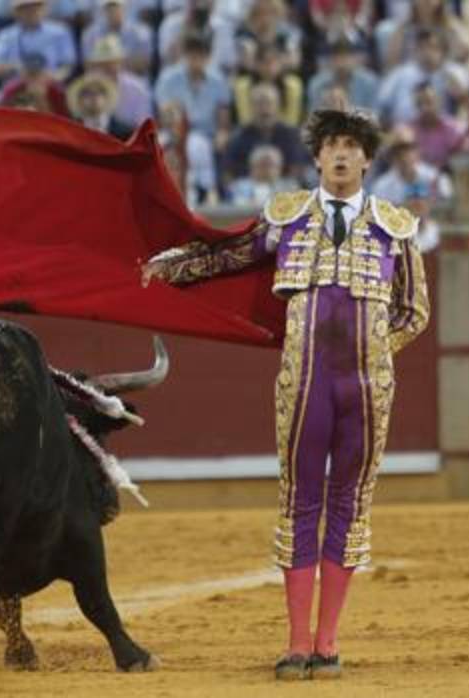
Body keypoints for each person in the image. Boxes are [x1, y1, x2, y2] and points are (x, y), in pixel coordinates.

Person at [142, 108, 429, 680]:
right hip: (305, 381)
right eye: (331, 146)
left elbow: (414, 311)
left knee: (350, 503)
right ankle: (297, 644)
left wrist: (377, 350)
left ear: (367, 158)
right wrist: (170, 266)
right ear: (318, 158)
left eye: (352, 146)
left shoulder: (395, 227)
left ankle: (328, 643)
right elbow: (229, 256)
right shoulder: (289, 218)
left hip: (368, 387)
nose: (342, 154)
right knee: (300, 500)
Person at [223, 82, 309, 184]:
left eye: (269, 103)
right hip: (247, 190)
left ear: (278, 106)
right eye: (259, 103)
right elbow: (228, 172)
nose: (264, 109)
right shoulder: (239, 135)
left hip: (284, 188)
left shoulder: (291, 135)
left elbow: (298, 169)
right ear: (251, 107)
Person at [0, 0, 77, 84]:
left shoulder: (60, 32)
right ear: (15, 12)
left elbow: (68, 65)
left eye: (36, 7)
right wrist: (18, 68)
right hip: (15, 90)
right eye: (24, 8)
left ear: (45, 9)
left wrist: (53, 77)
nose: (30, 12)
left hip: (51, 87)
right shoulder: (5, 35)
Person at [82, 33, 151, 127]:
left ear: (120, 63)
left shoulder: (137, 89)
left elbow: (143, 127)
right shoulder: (88, 89)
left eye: (112, 63)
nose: (107, 68)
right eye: (102, 64)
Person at [401, 80, 469, 169]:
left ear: (439, 101)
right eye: (419, 104)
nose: (424, 108)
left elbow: (461, 162)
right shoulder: (409, 131)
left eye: (428, 102)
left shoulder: (454, 129)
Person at [307, 32, 378, 113]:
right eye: (336, 55)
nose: (341, 62)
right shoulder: (317, 84)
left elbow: (373, 119)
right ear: (330, 59)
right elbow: (313, 120)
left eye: (346, 55)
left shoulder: (369, 83)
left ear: (355, 58)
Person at [79, 0, 151, 75]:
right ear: (103, 10)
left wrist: (110, 64)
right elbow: (88, 65)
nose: (113, 11)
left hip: (134, 79)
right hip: (101, 81)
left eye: (116, 7)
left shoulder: (140, 32)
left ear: (124, 8)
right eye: (109, 8)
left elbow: (143, 64)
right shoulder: (91, 34)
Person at [67, 71, 134, 140]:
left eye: (99, 92)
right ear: (79, 99)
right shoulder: (72, 131)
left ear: (107, 97)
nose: (94, 96)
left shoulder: (125, 131)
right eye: (87, 93)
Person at [228, 144, 297, 204]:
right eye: (263, 165)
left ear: (280, 167)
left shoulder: (289, 187)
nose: (267, 170)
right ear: (252, 166)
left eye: (271, 165)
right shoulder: (238, 187)